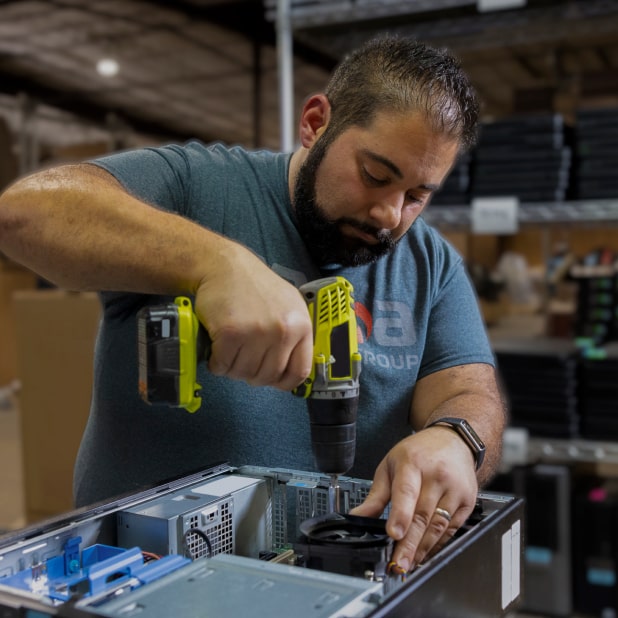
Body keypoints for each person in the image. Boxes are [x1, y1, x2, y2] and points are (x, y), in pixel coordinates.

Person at [0, 34, 506, 574]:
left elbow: (470, 391)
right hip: (146, 577)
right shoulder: (200, 186)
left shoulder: (431, 263)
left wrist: (456, 439)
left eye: (416, 196)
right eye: (375, 175)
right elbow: (25, 213)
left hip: (336, 582)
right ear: (315, 124)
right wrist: (215, 264)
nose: (389, 214)